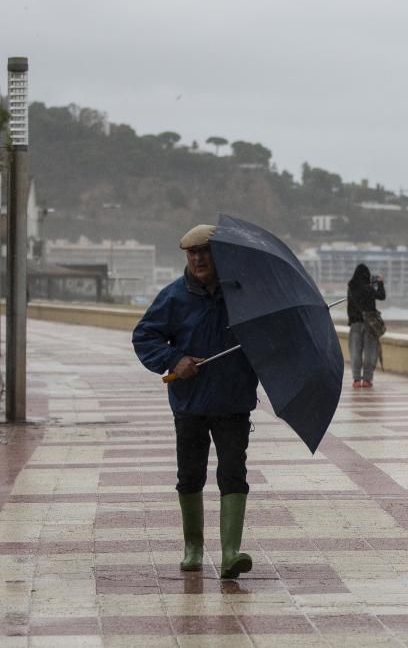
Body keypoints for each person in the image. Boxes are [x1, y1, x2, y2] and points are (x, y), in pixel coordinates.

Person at [132, 224, 259, 579]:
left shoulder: (242, 295)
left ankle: (231, 552)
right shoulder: (173, 297)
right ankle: (193, 546)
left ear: (219, 255)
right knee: (190, 475)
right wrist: (174, 361)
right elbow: (144, 337)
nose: (199, 259)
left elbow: (265, 338)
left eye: (205, 252)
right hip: (190, 403)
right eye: (193, 254)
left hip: (234, 401)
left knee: (233, 473)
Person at [347, 263, 386, 388]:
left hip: (355, 324)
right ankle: (367, 380)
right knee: (370, 352)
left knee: (355, 353)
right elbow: (381, 296)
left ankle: (356, 380)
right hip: (370, 324)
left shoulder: (351, 288)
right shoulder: (369, 289)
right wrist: (379, 283)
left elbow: (349, 308)